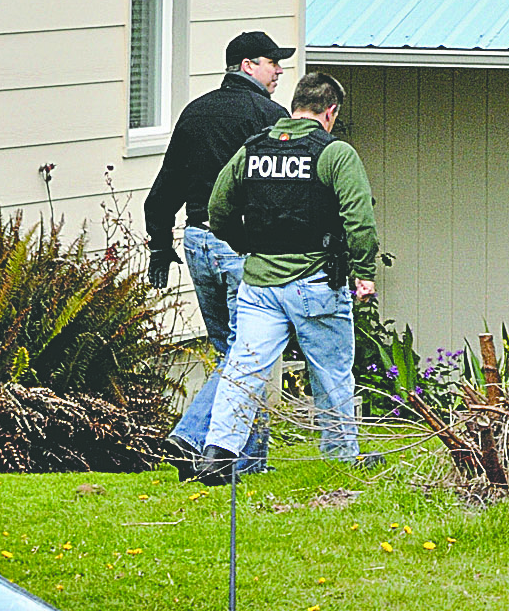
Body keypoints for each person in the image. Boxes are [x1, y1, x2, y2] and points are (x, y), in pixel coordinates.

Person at [196, 71, 381, 484]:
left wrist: (248, 245)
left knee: (244, 367)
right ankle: (341, 458)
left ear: (295, 105)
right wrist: (365, 272)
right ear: (330, 112)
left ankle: (218, 454)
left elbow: (218, 208)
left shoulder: (252, 149)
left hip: (258, 284)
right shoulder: (334, 153)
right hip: (316, 282)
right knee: (331, 372)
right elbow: (359, 219)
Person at [144, 30, 292, 478]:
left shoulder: (195, 112)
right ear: (247, 65)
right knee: (247, 354)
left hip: (197, 242)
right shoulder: (268, 115)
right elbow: (281, 188)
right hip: (242, 247)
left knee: (236, 351)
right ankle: (191, 435)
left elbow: (164, 187)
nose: (279, 70)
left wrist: (159, 244)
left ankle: (246, 464)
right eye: (272, 62)